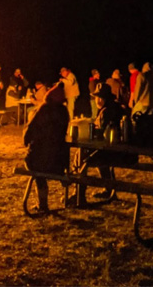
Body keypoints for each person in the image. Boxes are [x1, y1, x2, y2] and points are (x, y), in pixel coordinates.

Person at [23, 82, 70, 213]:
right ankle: (63, 183)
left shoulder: (43, 111)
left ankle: (43, 203)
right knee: (44, 163)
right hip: (58, 163)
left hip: (39, 161)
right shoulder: (64, 113)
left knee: (35, 169)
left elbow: (28, 133)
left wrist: (27, 142)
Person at [78, 82, 126, 203]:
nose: (96, 101)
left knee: (82, 157)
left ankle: (79, 194)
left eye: (98, 98)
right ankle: (109, 190)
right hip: (118, 150)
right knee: (90, 157)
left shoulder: (107, 111)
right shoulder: (113, 107)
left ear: (104, 99)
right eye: (95, 98)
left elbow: (102, 133)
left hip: (112, 151)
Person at [131, 62, 153, 147]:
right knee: (151, 124)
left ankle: (138, 143)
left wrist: (135, 101)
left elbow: (138, 90)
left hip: (143, 104)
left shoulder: (142, 76)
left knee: (135, 121)